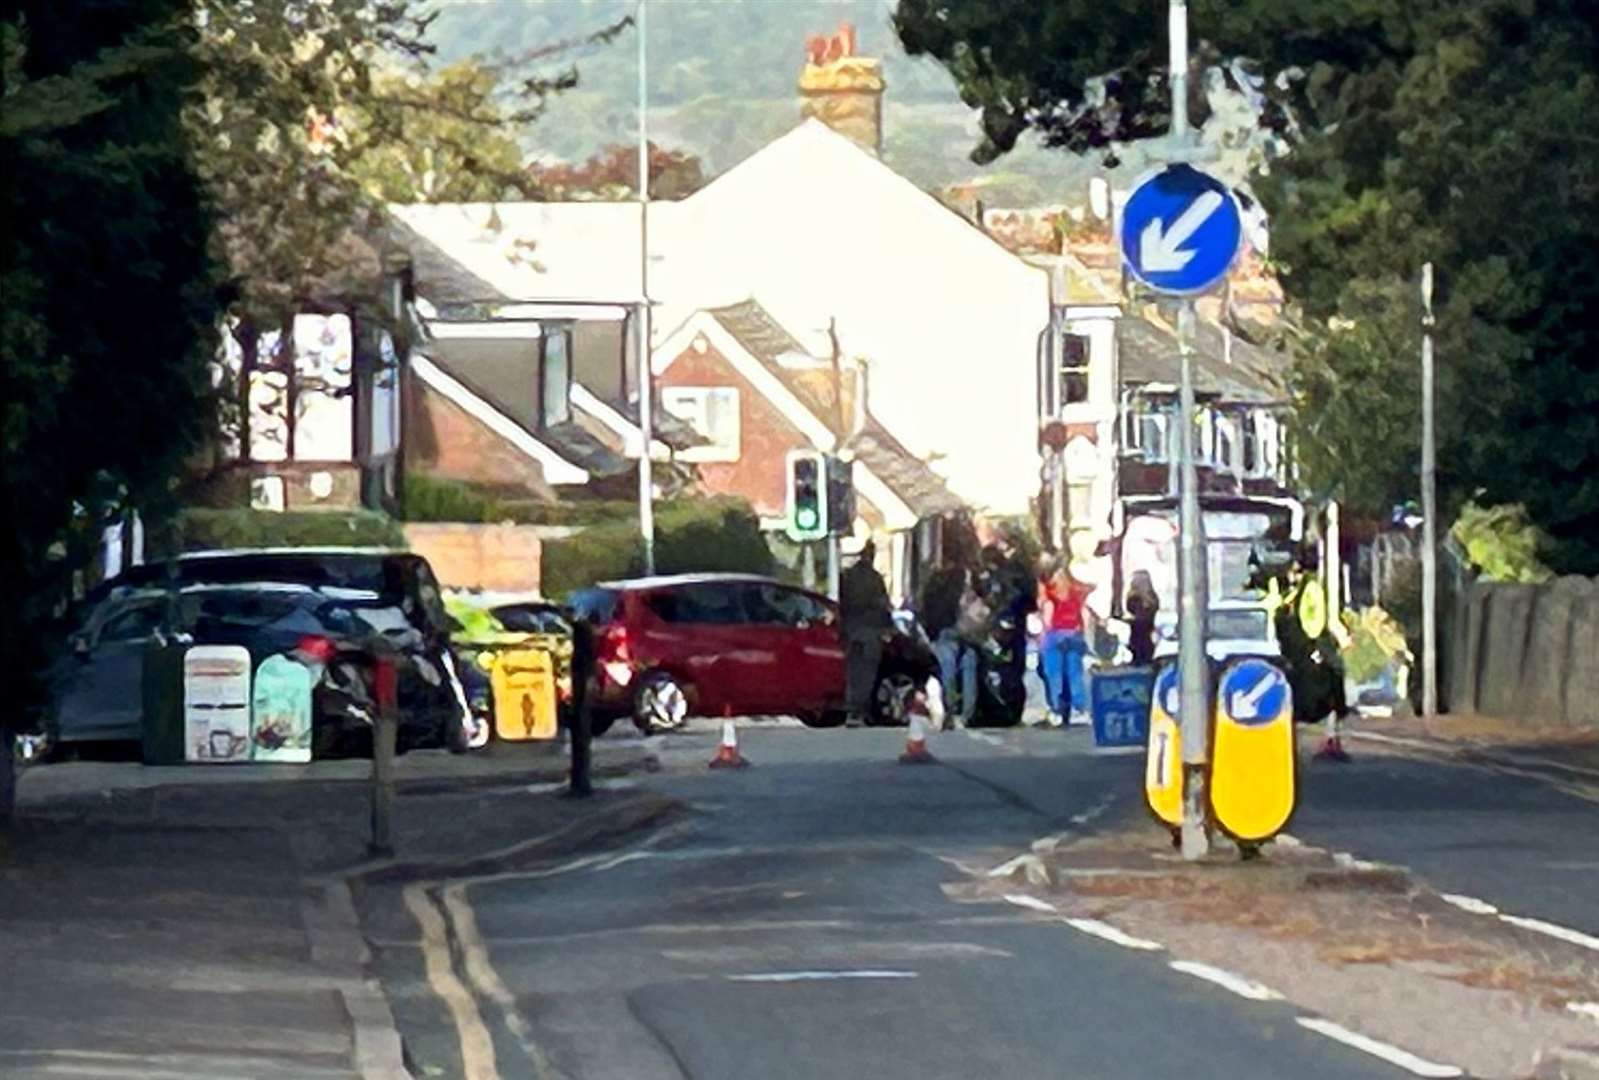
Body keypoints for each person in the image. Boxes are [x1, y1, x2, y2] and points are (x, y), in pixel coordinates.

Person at [919, 555, 977, 730]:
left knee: (948, 670)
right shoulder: (966, 586)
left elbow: (924, 612)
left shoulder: (935, 587)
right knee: (968, 669)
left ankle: (949, 710)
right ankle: (967, 714)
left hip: (943, 633)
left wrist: (930, 635)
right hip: (967, 634)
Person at [839, 539, 893, 724]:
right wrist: (888, 628)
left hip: (851, 630)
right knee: (868, 672)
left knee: (853, 672)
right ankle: (861, 710)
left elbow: (841, 604)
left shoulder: (848, 577)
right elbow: (882, 604)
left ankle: (850, 710)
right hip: (871, 632)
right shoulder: (875, 578)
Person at [1038, 559, 1094, 726]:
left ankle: (1056, 710)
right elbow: (1086, 614)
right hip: (1074, 634)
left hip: (1055, 635)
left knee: (1054, 674)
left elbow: (1048, 617)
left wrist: (1042, 636)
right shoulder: (1076, 593)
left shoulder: (1050, 594)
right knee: (1074, 673)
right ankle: (1079, 710)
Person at [1126, 570, 1160, 666]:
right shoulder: (1149, 597)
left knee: (1141, 643)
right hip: (1142, 627)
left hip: (1143, 627)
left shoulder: (1146, 597)